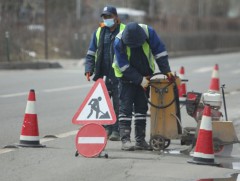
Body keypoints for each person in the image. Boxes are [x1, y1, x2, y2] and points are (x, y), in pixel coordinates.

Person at [113, 22, 175, 151]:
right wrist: (139, 80)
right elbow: (123, 66)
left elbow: (160, 52)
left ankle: (140, 141)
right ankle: (125, 140)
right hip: (126, 78)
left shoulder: (149, 33)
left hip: (145, 75)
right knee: (126, 108)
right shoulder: (119, 41)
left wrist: (166, 70)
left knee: (141, 108)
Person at [85, 5, 125, 141]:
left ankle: (116, 130)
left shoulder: (124, 30)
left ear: (116, 17)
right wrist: (89, 69)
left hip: (119, 75)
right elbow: (91, 52)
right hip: (103, 74)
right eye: (105, 17)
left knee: (119, 104)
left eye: (109, 16)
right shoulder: (99, 32)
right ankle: (106, 128)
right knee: (103, 103)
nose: (107, 19)